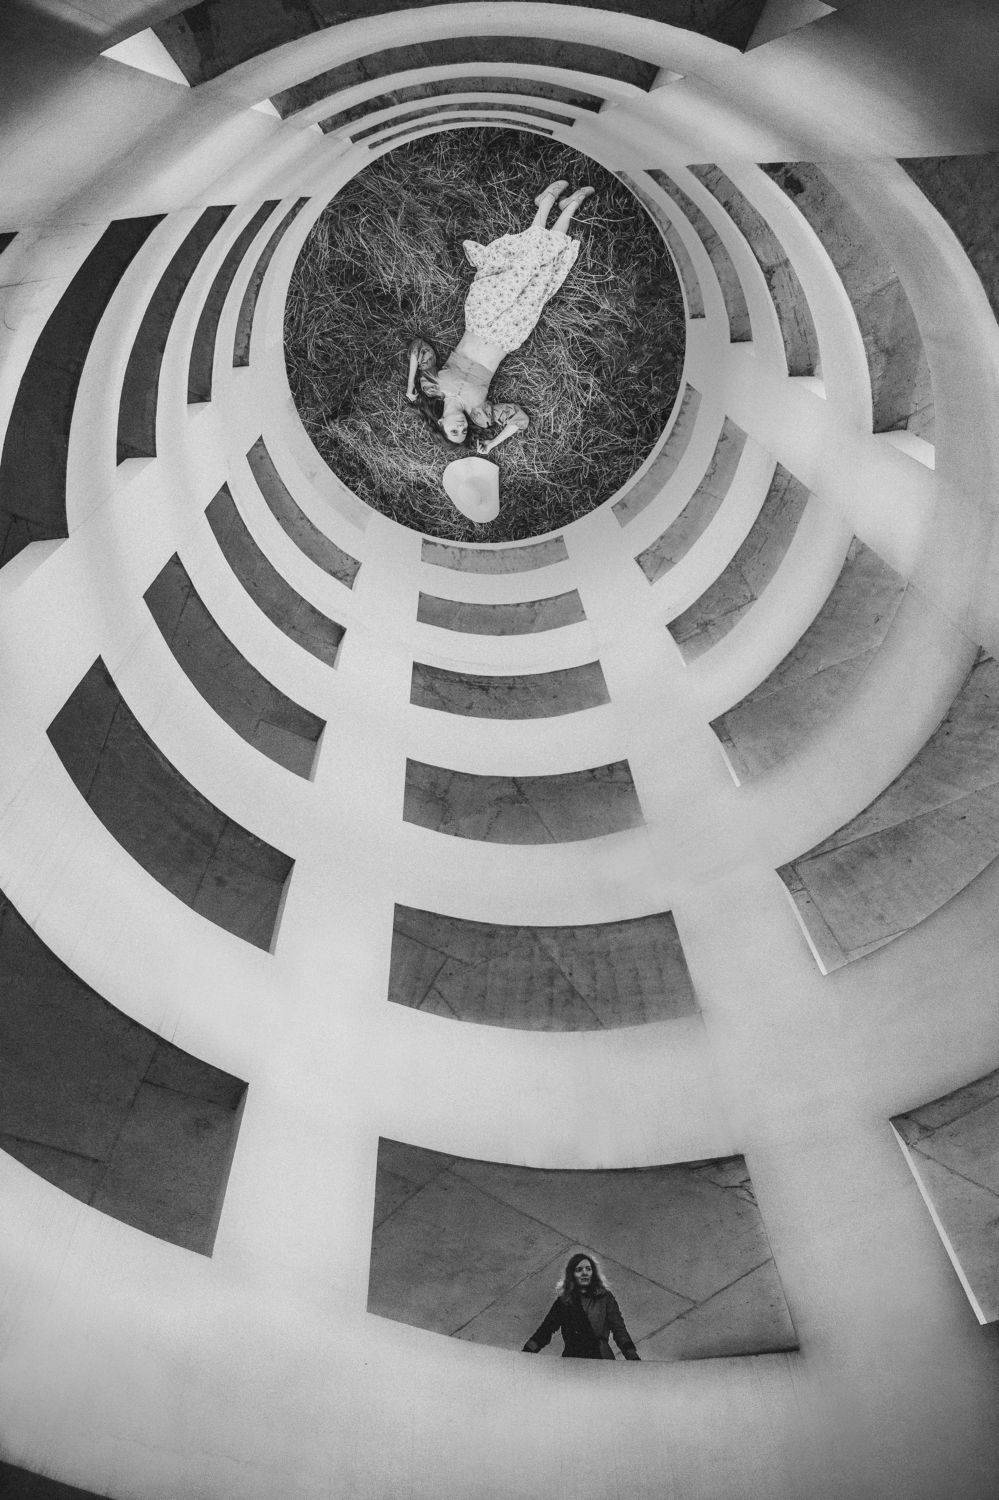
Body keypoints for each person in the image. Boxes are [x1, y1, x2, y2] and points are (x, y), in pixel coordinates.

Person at [405, 179, 595, 453]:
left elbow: (418, 347)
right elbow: (519, 419)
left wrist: (410, 385)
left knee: (523, 267)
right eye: (463, 432)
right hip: (509, 332)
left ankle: (549, 203)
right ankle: (570, 207)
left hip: (481, 318)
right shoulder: (480, 414)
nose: (461, 427)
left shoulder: (431, 387)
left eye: (453, 431)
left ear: (441, 423)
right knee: (542, 277)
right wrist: (493, 443)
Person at [523, 1251, 641, 1360]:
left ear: (593, 1273)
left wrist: (632, 1356)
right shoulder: (564, 1301)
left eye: (588, 1269)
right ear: (572, 1274)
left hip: (601, 1359)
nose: (584, 1273)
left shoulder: (605, 1298)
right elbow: (545, 1330)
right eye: (579, 1269)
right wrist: (525, 1354)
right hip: (573, 1361)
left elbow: (619, 1330)